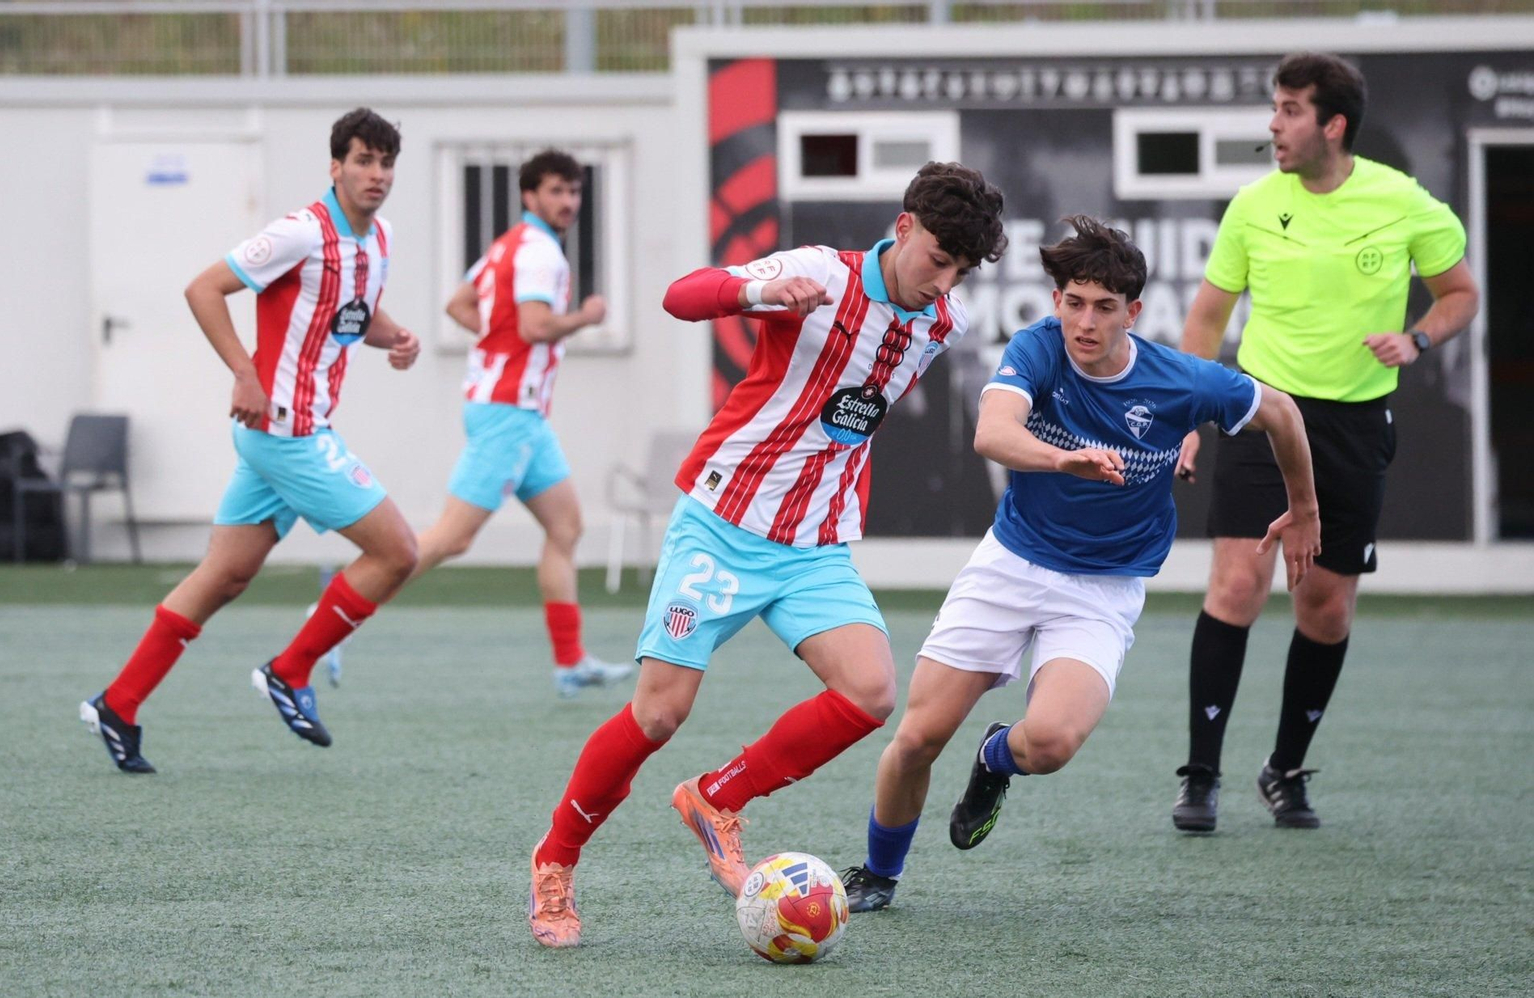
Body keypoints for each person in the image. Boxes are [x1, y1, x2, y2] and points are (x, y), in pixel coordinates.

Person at [525, 162, 1007, 948]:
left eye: (961, 270)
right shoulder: (817, 272)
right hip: (722, 523)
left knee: (872, 689)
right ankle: (556, 862)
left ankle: (718, 797)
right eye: (938, 259)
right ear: (905, 225)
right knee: (658, 713)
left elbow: (849, 418)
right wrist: (757, 293)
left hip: (812, 545)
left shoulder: (937, 324)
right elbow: (682, 295)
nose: (943, 281)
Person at [839, 216, 1320, 913]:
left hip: (1101, 588)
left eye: (1102, 307)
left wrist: (1304, 508)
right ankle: (881, 875)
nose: (1084, 322)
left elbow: (1281, 412)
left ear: (1134, 311)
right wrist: (1062, 457)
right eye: (1072, 302)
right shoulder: (1038, 350)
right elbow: (991, 431)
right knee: (915, 738)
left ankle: (994, 757)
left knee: (1053, 743)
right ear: (1056, 300)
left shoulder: (1182, 381)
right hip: (1010, 564)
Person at [1170, 52, 1479, 832]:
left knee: (1326, 608)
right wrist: (1184, 414)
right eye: (1273, 108)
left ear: (1332, 124)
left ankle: (1284, 769)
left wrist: (1418, 339)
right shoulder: (1251, 205)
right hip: (1259, 409)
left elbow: (1460, 293)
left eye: (1289, 110)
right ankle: (1200, 774)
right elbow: (1207, 320)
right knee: (1238, 583)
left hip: (1353, 425)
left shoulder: (1404, 201)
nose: (1274, 125)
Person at [79, 108, 421, 773]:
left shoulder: (378, 238)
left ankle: (118, 704)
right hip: (288, 433)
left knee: (225, 575)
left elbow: (353, 310)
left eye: (386, 163)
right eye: (363, 161)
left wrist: (397, 338)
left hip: (292, 434)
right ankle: (290, 671)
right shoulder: (300, 232)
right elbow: (204, 288)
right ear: (335, 166)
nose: (376, 175)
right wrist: (244, 370)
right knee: (398, 552)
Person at [408, 149, 630, 698]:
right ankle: (337, 608)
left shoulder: (509, 245)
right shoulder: (538, 253)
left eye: (574, 192)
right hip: (508, 412)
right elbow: (534, 327)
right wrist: (586, 317)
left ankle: (571, 661)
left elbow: (459, 304)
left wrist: (495, 337)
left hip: (523, 415)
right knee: (452, 539)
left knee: (565, 528)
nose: (568, 202)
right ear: (530, 195)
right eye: (556, 191)